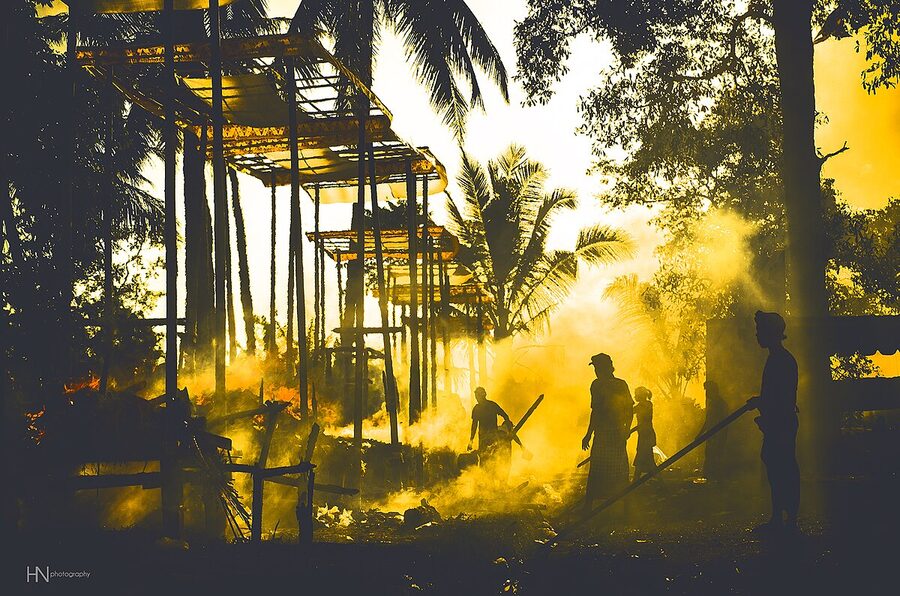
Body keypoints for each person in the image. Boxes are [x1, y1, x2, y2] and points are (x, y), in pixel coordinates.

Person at [747, 311, 800, 532]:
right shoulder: (778, 358)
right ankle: (781, 516)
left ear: (771, 333)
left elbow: (781, 396)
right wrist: (761, 402)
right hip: (779, 421)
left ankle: (785, 518)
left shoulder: (781, 360)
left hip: (782, 422)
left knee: (781, 466)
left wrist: (761, 401)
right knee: (776, 464)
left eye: (760, 331)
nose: (757, 335)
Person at [582, 353, 634, 510]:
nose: (596, 371)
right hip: (608, 433)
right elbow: (596, 412)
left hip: (613, 433)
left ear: (606, 367)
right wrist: (588, 434)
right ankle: (594, 506)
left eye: (598, 367)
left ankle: (624, 507)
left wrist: (626, 429)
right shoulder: (599, 385)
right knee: (607, 469)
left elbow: (628, 410)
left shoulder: (612, 385)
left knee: (610, 469)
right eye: (595, 368)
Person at [467, 387, 513, 464]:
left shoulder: (478, 408)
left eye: (477, 396)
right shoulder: (491, 405)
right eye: (476, 396)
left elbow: (474, 426)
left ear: (482, 395)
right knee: (490, 457)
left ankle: (488, 474)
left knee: (486, 458)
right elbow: (505, 416)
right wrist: (508, 426)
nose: (476, 398)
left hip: (487, 437)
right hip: (490, 437)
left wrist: (471, 440)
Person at [698, 380, 730, 480]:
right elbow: (708, 421)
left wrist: (720, 436)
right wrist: (699, 434)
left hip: (718, 437)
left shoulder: (720, 404)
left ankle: (716, 480)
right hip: (711, 437)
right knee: (709, 456)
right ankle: (709, 479)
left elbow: (723, 423)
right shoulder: (713, 404)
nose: (706, 393)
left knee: (716, 458)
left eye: (707, 390)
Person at [632, 386, 657, 479]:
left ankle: (635, 482)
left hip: (646, 435)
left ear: (641, 395)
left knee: (643, 458)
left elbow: (631, 411)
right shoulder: (645, 404)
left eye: (636, 394)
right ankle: (635, 481)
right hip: (644, 435)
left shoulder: (646, 404)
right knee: (645, 458)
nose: (635, 396)